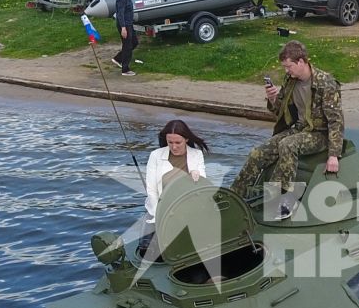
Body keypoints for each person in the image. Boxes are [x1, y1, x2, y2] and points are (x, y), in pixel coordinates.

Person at [228, 41, 344, 203]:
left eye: (288, 66)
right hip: (299, 129)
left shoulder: (326, 83)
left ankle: (283, 197)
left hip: (319, 134)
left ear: (301, 62)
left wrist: (333, 155)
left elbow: (336, 121)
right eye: (284, 67)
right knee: (257, 152)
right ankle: (234, 196)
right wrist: (272, 98)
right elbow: (279, 110)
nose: (286, 70)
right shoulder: (290, 80)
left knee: (287, 145)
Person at [144, 119, 212, 223]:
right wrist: (159, 213)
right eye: (170, 142)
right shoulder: (155, 155)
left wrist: (195, 173)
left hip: (188, 209)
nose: (174, 147)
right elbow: (151, 189)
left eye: (178, 142)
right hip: (161, 209)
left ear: (186, 139)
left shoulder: (197, 154)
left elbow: (202, 187)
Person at [112, 0, 137, 76]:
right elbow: (120, 14)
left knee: (134, 42)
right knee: (127, 46)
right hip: (125, 25)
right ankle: (125, 69)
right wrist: (123, 28)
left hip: (129, 24)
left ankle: (118, 58)